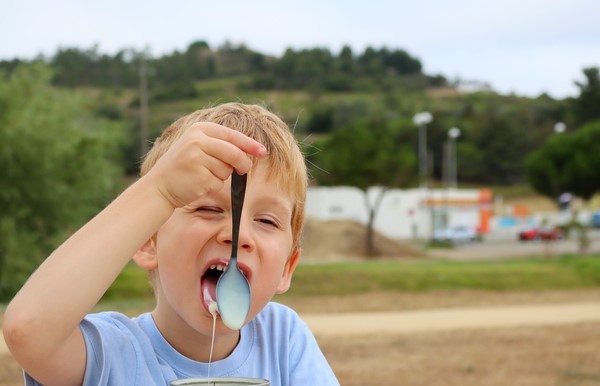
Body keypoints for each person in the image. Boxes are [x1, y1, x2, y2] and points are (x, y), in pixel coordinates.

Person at [3, 102, 340, 386]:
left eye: (266, 221)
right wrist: (159, 190)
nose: (238, 236)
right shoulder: (111, 357)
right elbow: (28, 329)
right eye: (208, 209)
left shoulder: (283, 340)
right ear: (148, 242)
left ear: (287, 268)